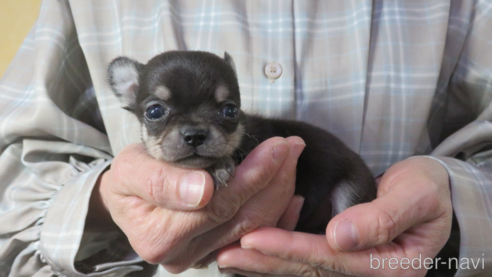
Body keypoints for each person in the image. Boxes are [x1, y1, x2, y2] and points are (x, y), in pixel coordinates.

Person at [0, 0, 491, 276]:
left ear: (240, 109)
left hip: (346, 202)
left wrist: (455, 213)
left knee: (349, 189)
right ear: (129, 96)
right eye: (158, 113)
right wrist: (106, 202)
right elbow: (16, 172)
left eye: (225, 112)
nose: (193, 133)